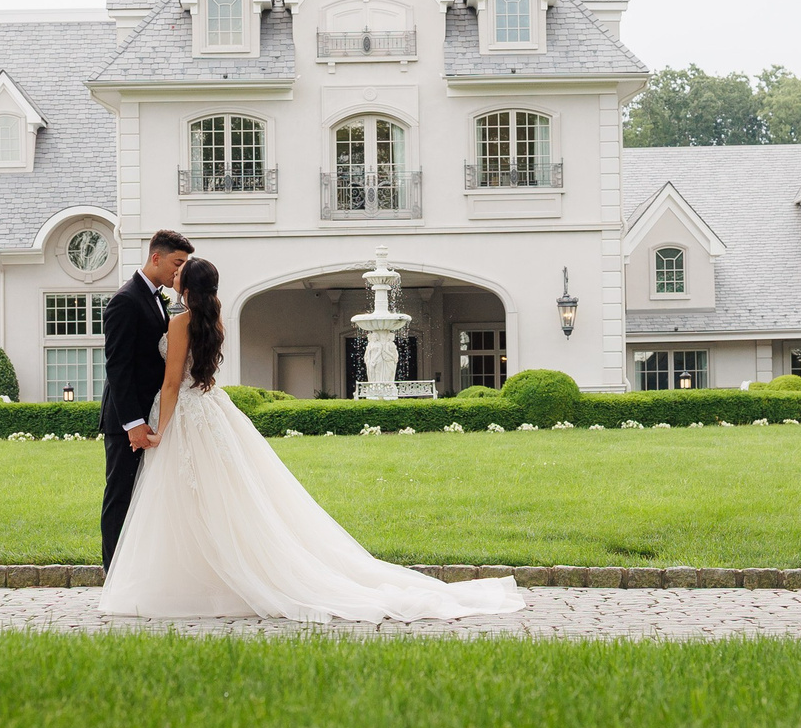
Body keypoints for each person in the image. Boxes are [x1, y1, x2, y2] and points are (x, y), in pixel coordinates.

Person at [100, 256, 524, 624]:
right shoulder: (215, 321)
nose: (173, 276)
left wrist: (160, 429)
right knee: (220, 497)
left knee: (185, 498)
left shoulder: (180, 322)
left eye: (180, 273)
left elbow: (172, 383)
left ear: (185, 285)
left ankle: (192, 581)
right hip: (210, 409)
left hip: (186, 415)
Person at [99, 229, 192, 569]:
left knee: (145, 498)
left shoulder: (156, 297)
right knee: (120, 497)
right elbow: (117, 366)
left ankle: (138, 570)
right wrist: (134, 423)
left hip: (151, 414)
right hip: (128, 420)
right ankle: (114, 575)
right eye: (176, 263)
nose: (178, 272)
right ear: (156, 258)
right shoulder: (125, 300)